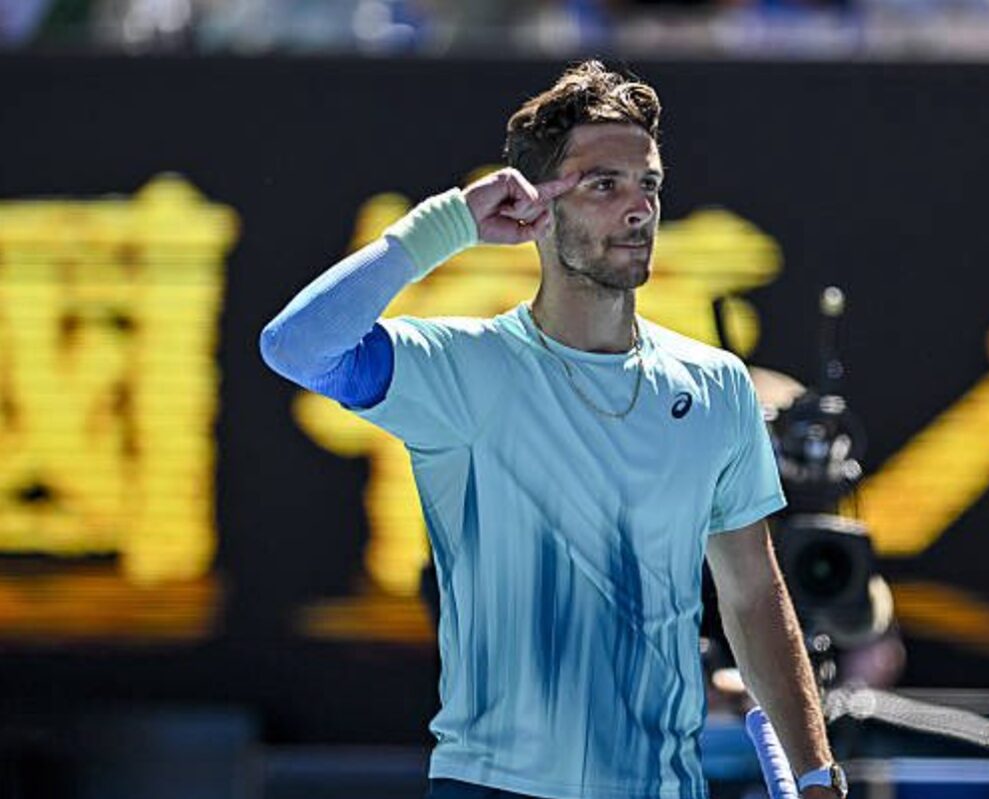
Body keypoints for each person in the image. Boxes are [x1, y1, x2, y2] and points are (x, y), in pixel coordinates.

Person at [260, 60, 843, 799]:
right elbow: (296, 346)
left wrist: (819, 773)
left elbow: (756, 596)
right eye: (604, 185)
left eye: (649, 185)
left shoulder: (718, 386)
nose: (638, 208)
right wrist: (451, 224)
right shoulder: (461, 369)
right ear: (538, 209)